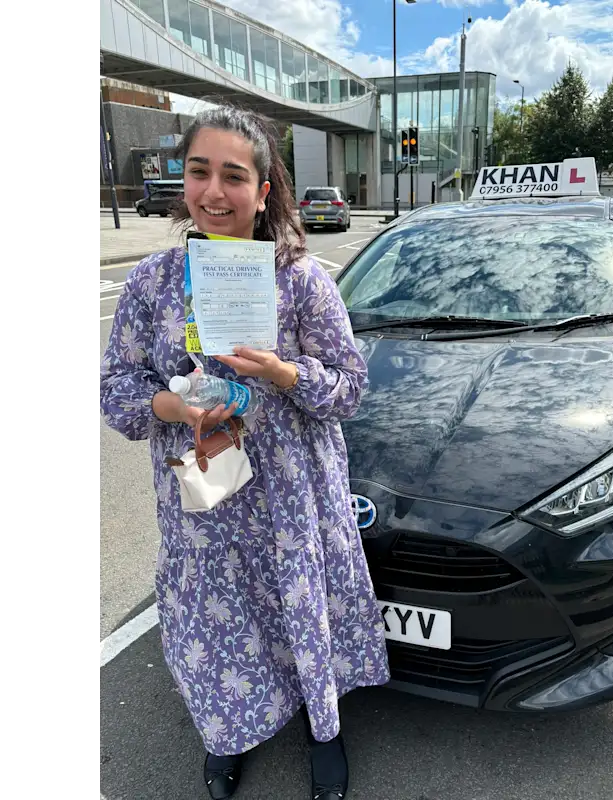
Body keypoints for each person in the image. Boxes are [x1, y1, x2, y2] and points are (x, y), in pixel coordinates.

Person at [100, 105, 391, 800]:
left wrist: (283, 372)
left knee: (300, 611)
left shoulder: (301, 280)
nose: (214, 192)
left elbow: (350, 389)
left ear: (263, 192)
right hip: (204, 500)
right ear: (183, 182)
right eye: (200, 172)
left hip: (292, 500)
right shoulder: (151, 284)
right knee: (216, 622)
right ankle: (226, 734)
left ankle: (324, 729)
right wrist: (178, 404)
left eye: (235, 176)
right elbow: (115, 390)